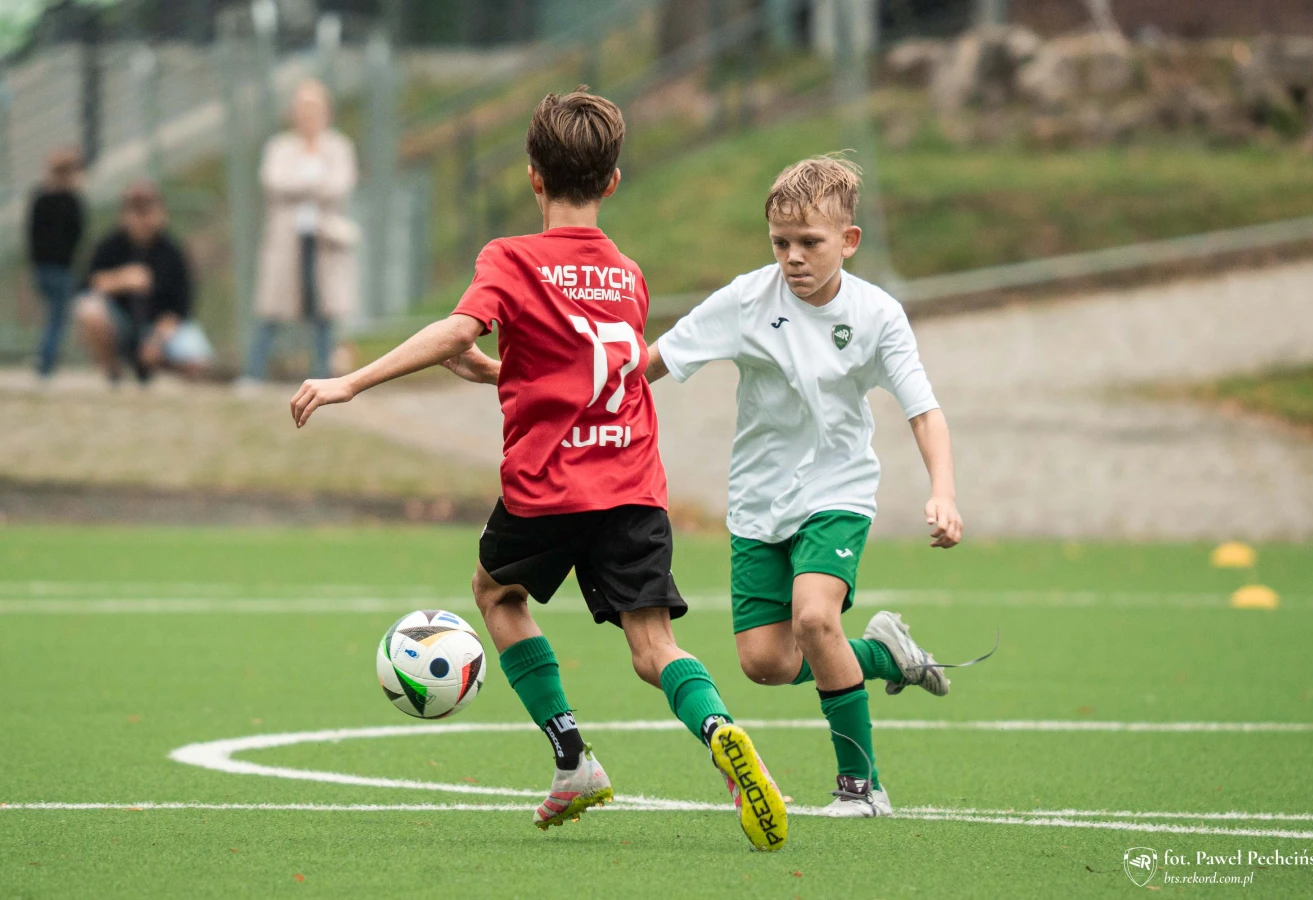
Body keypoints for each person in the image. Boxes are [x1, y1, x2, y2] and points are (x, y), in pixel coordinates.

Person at [288, 89, 787, 851]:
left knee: (496, 592)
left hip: (548, 486)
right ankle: (718, 727)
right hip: (632, 485)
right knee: (654, 649)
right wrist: (498, 371)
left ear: (532, 176)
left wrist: (350, 382)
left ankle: (572, 758)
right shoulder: (627, 274)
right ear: (612, 181)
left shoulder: (510, 258)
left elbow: (457, 328)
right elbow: (590, 366)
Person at [646, 156, 971, 818]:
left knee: (816, 619)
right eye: (780, 243)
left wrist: (943, 491)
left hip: (838, 489)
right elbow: (652, 362)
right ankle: (885, 656)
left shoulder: (877, 314)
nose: (793, 257)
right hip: (757, 502)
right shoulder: (745, 300)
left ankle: (862, 786)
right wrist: (559, 388)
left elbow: (923, 410)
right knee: (765, 662)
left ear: (848, 241)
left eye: (809, 243)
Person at [246, 79, 358, 382]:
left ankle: (322, 375)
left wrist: (300, 186)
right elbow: (273, 182)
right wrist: (315, 184)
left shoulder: (338, 146)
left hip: (325, 240)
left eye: (314, 108)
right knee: (272, 308)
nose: (309, 115)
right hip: (287, 240)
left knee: (324, 309)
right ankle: (254, 373)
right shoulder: (280, 147)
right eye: (303, 108)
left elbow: (341, 185)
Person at [74, 181, 213, 383]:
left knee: (196, 357)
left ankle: (159, 369)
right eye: (136, 211)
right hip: (121, 324)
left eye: (147, 211)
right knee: (88, 309)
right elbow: (87, 285)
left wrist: (156, 340)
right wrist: (122, 279)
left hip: (160, 328)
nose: (142, 219)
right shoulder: (110, 245)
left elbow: (181, 307)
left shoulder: (172, 252)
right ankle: (112, 370)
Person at [27, 147, 86, 379]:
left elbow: (32, 233)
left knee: (50, 315)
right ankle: (46, 360)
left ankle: (44, 355)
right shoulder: (71, 201)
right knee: (57, 318)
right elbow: (77, 235)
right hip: (61, 267)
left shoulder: (40, 198)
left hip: (41, 267)